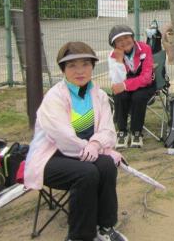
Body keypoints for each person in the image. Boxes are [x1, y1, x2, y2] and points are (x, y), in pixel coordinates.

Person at [24, 42, 127, 241]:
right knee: (86, 173)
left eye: (85, 64)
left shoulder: (99, 95)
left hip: (87, 152)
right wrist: (88, 148)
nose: (80, 71)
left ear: (92, 67)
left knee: (107, 166)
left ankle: (105, 226)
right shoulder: (54, 97)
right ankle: (79, 236)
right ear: (63, 69)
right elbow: (62, 136)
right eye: (72, 65)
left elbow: (108, 130)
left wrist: (95, 144)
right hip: (51, 157)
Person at [108, 25, 156, 148]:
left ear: (132, 37)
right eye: (119, 40)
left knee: (138, 97)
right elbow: (117, 82)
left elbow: (146, 77)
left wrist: (125, 85)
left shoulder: (145, 48)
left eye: (126, 37)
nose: (124, 42)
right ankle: (122, 131)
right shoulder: (113, 56)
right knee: (119, 95)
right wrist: (119, 61)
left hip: (146, 85)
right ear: (114, 45)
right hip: (125, 85)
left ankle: (136, 132)